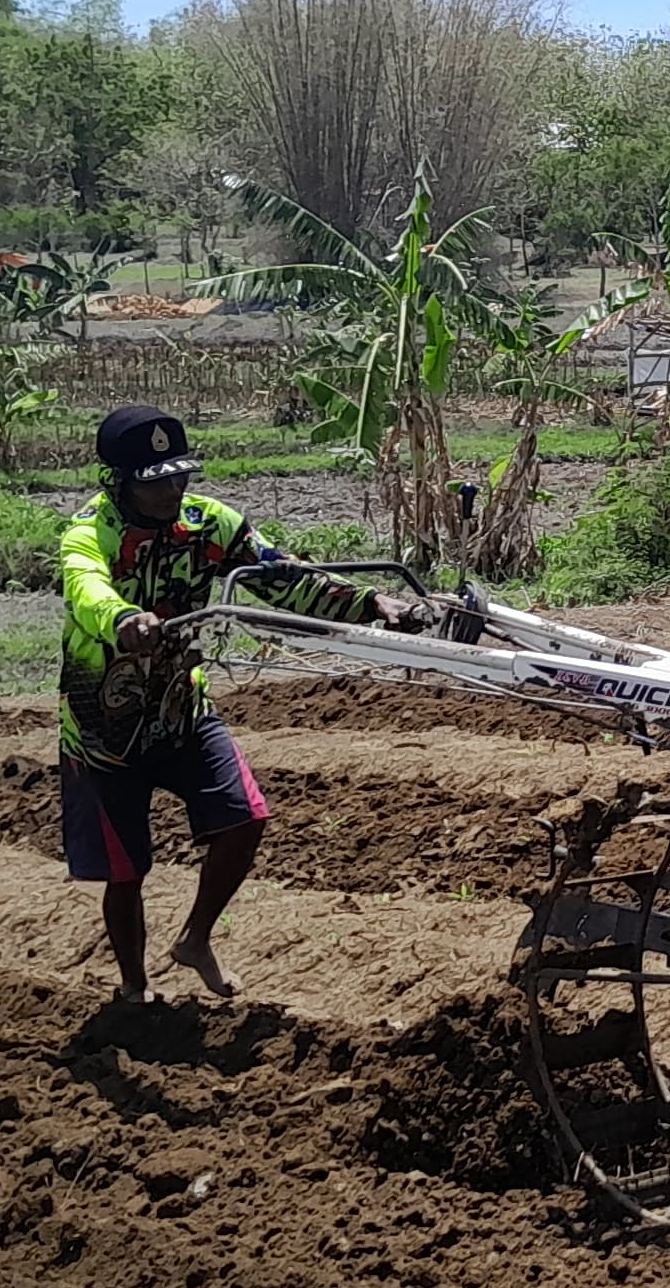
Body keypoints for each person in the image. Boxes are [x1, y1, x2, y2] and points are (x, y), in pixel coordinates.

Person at [58, 405, 417, 1005]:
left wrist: (373, 604)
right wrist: (123, 618)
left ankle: (195, 939)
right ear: (119, 481)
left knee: (244, 817)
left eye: (180, 476)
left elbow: (283, 576)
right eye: (156, 481)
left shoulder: (209, 524)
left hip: (180, 707)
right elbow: (85, 587)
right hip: (105, 727)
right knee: (126, 871)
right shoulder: (90, 534)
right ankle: (133, 987)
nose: (173, 489)